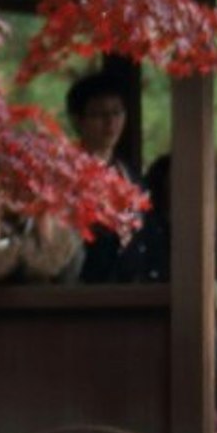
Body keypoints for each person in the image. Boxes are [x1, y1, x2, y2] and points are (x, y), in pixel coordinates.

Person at [67, 64, 169, 286]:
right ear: (78, 120)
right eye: (99, 114)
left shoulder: (130, 175)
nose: (110, 122)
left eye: (116, 112)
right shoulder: (67, 176)